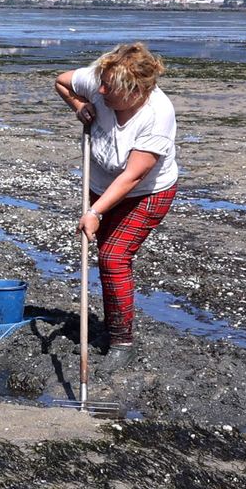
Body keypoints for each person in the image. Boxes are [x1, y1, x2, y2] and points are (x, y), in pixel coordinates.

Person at [53, 42, 179, 366]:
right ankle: (112, 326)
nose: (101, 90)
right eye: (102, 83)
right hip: (100, 184)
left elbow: (133, 176)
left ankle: (122, 342)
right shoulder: (100, 81)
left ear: (135, 91)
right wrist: (79, 105)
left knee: (113, 257)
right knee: (107, 256)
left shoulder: (157, 115)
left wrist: (95, 212)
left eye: (109, 88)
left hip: (146, 193)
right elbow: (62, 81)